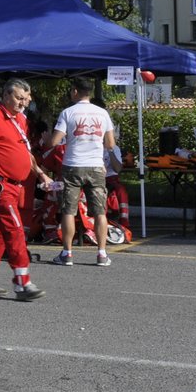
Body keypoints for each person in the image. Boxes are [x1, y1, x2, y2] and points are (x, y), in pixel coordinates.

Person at [0, 78, 53, 301]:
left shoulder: (20, 120)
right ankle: (22, 282)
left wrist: (40, 173)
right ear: (6, 96)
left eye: (26, 99)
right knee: (14, 230)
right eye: (18, 98)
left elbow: (25, 152)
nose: (23, 103)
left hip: (16, 185)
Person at [47, 78, 118, 266]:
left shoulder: (68, 113)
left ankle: (67, 253)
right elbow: (110, 144)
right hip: (95, 166)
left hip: (72, 165)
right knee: (100, 212)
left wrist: (66, 140)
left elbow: (54, 141)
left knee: (68, 211)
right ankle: (102, 254)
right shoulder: (102, 113)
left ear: (75, 91)